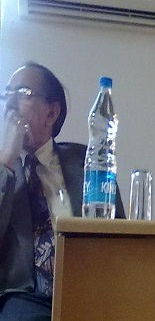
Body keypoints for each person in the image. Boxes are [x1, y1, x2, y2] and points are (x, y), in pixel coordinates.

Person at [0, 63, 125, 320]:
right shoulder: (3, 166)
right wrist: (7, 160)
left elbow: (119, 233)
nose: (9, 104)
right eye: (6, 94)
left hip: (87, 288)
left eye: (22, 94)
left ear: (52, 112)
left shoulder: (86, 161)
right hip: (23, 297)